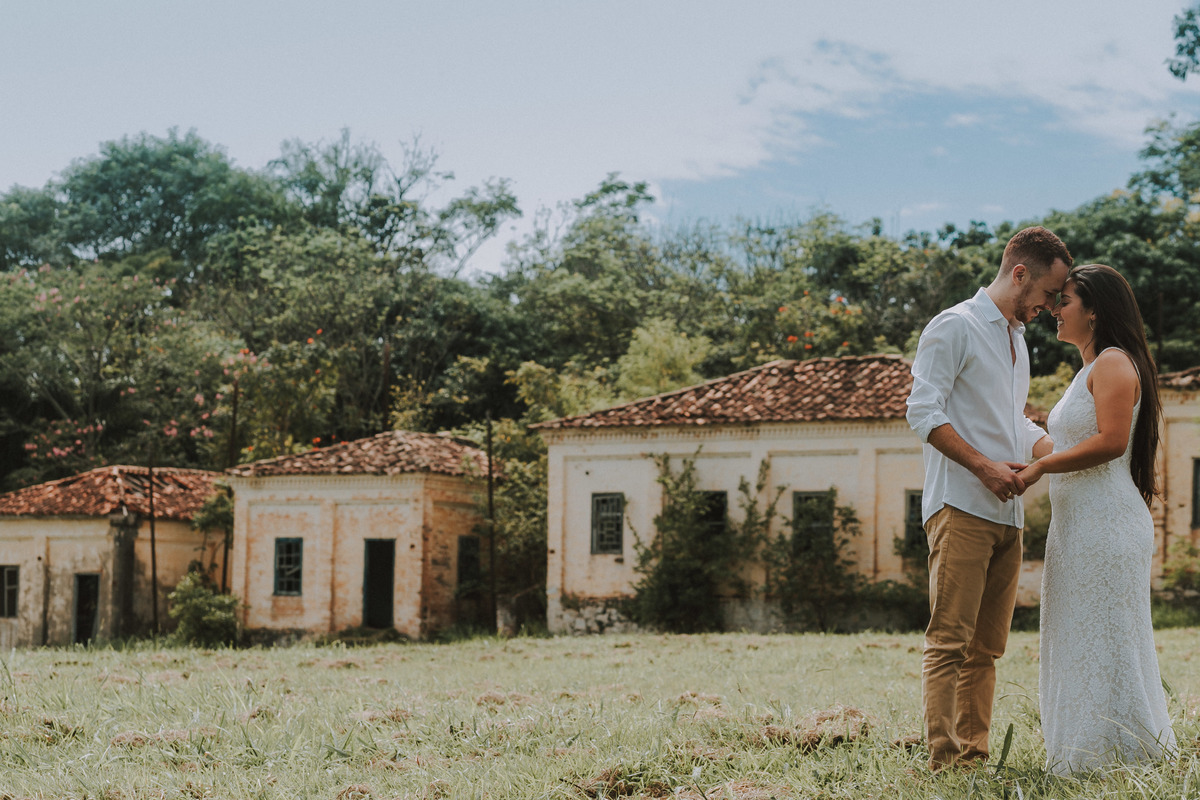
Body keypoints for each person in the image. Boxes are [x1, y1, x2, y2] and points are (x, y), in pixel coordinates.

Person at [906, 226, 1072, 771]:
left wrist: (1062, 456)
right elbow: (922, 411)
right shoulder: (954, 326)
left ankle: (973, 757)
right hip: (960, 506)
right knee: (949, 642)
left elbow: (1013, 423)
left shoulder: (1017, 341)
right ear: (1019, 273)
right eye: (1048, 293)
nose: (1052, 307)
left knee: (987, 649)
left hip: (1009, 512)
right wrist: (983, 467)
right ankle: (943, 759)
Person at [1015, 264, 1175, 775]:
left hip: (1106, 522)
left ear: (1095, 311)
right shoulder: (1085, 371)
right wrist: (1022, 443)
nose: (1054, 310)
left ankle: (1122, 752)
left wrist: (1041, 468)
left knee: (1106, 636)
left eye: (1064, 301)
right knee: (1079, 633)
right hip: (1077, 524)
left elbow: (1110, 442)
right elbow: (1066, 444)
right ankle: (1085, 751)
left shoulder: (1113, 362)